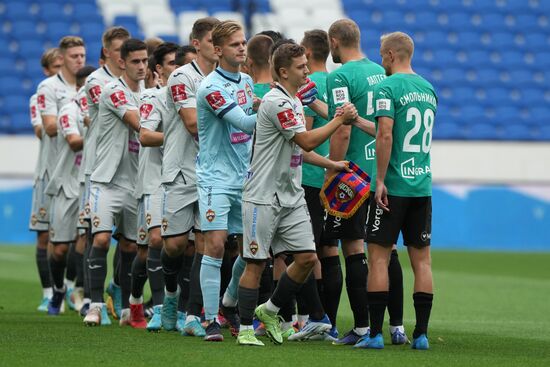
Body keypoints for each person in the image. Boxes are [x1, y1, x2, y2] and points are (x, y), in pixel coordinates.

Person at [236, 42, 357, 346]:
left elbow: (297, 150)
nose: (307, 71)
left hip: (290, 196)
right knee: (256, 263)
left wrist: (332, 164)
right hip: (262, 195)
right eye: (302, 67)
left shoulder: (292, 102)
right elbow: (305, 140)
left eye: (306, 64)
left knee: (306, 258)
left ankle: (271, 309)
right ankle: (245, 329)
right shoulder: (276, 102)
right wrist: (338, 120)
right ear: (283, 71)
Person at [355, 32, 436, 350]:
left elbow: (386, 135)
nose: (380, 59)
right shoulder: (428, 89)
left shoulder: (385, 87)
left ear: (390, 55)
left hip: (393, 188)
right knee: (423, 262)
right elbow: (397, 130)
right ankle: (422, 335)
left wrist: (380, 180)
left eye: (381, 54)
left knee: (377, 259)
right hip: (422, 186)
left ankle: (375, 334)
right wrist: (358, 121)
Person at [322, 19, 383, 346]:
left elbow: (343, 126)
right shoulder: (378, 72)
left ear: (334, 42)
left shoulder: (341, 76)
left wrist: (332, 170)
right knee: (380, 253)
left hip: (354, 177)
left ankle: (362, 327)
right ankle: (389, 326)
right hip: (378, 174)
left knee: (352, 248)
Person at [195, 20, 256, 342]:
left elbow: (251, 108)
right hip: (214, 178)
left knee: (250, 249)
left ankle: (229, 302)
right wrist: (284, 108)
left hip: (243, 177)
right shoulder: (210, 87)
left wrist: (267, 102)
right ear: (217, 51)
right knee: (216, 245)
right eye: (235, 44)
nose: (242, 48)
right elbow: (246, 123)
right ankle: (209, 320)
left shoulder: (246, 80)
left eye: (243, 42)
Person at [160, 17, 220, 336]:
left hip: (214, 174)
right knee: (174, 246)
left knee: (207, 243)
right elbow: (192, 124)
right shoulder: (182, 77)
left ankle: (192, 313)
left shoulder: (231, 78)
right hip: (181, 170)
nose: (218, 46)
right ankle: (171, 294)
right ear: (196, 43)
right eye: (213, 40)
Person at [84, 39, 148, 326]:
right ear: (122, 63)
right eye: (136, 61)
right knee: (99, 238)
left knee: (130, 248)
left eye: (145, 61)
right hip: (105, 179)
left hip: (135, 182)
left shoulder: (150, 93)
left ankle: (123, 307)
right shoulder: (113, 92)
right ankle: (94, 305)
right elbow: (138, 123)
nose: (142, 66)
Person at [81, 27, 131, 318]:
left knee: (128, 240)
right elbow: (125, 111)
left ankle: (120, 295)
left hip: (133, 169)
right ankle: (93, 301)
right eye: (119, 50)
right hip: (100, 166)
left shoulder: (136, 82)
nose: (125, 56)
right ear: (107, 53)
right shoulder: (96, 82)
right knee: (98, 236)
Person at [36, 36, 86, 312]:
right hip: (60, 173)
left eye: (82, 55)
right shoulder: (49, 88)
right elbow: (51, 126)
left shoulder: (88, 86)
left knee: (88, 236)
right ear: (63, 58)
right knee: (58, 247)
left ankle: (75, 288)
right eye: (74, 56)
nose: (79, 60)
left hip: (87, 174)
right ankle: (56, 289)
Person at [134, 42, 179, 331]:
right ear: (158, 70)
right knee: (154, 242)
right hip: (154, 178)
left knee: (182, 246)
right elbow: (146, 136)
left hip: (184, 177)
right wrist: (178, 135)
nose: (178, 69)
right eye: (172, 64)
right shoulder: (151, 96)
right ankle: (150, 302)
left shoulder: (192, 97)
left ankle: (182, 307)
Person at [45, 65, 94, 315]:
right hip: (67, 184)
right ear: (78, 87)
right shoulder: (69, 111)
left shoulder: (101, 110)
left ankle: (84, 295)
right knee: (61, 249)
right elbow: (75, 143)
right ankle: (58, 288)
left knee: (86, 241)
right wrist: (98, 132)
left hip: (91, 184)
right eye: (87, 87)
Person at [29, 48, 62, 312]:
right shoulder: (40, 96)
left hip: (74, 175)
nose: (59, 71)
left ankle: (73, 289)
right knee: (44, 237)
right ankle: (48, 292)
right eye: (54, 66)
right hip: (47, 173)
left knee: (75, 239)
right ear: (46, 70)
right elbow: (42, 131)